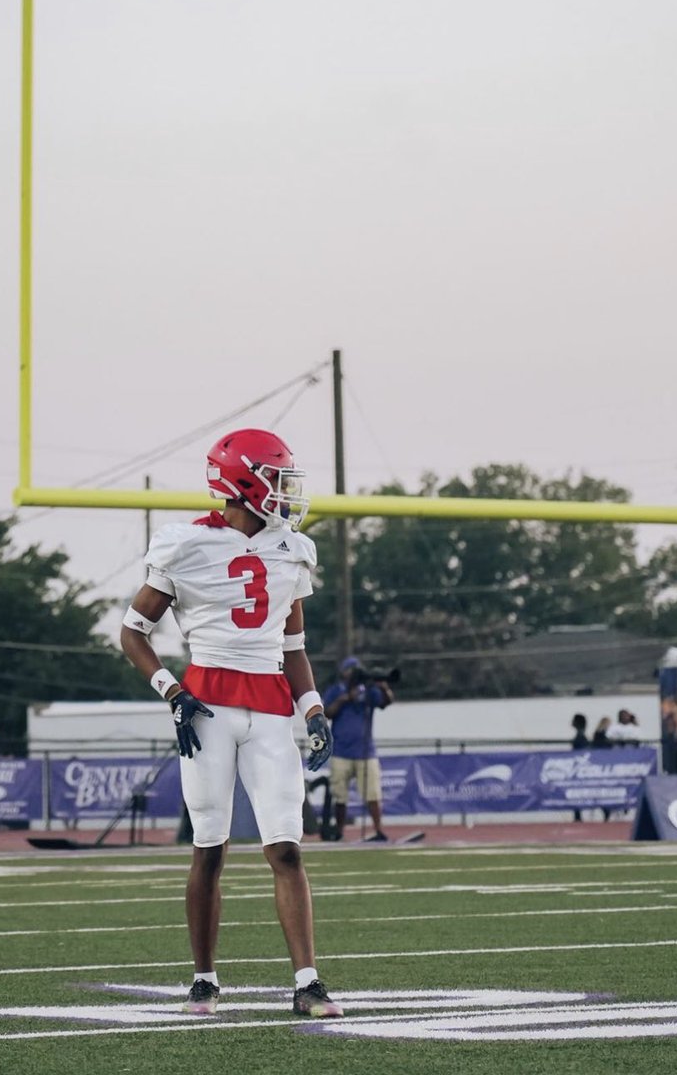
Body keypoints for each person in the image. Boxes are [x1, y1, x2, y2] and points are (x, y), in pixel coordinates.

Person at [119, 428, 342, 1020]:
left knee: (286, 848)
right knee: (209, 848)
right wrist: (171, 691)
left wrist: (313, 707)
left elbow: (293, 646)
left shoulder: (291, 547)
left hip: (269, 705)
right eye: (277, 478)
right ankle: (204, 978)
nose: (287, 491)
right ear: (243, 481)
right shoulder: (185, 544)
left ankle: (308, 983)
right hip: (208, 706)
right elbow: (133, 632)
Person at [322, 656, 395, 841]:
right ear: (343, 673)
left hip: (365, 751)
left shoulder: (368, 690)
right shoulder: (336, 690)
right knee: (340, 795)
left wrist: (383, 687)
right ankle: (339, 831)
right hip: (341, 751)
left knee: (373, 793)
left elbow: (385, 703)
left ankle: (378, 829)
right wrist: (346, 698)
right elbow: (326, 713)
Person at [570, 713, 589, 823]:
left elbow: (581, 753)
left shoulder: (581, 737)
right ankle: (577, 815)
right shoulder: (580, 735)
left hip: (580, 769)